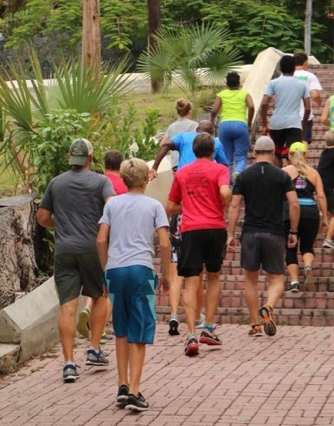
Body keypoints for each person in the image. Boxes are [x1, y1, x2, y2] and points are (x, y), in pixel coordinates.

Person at [37, 138, 115, 383]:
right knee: (101, 295)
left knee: (67, 307)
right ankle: (93, 348)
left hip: (65, 251)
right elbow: (112, 206)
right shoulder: (101, 181)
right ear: (90, 158)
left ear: (71, 158)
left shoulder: (56, 183)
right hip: (93, 249)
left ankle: (69, 363)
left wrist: (59, 225)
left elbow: (42, 217)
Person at [97, 158, 170, 412]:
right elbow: (164, 243)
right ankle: (135, 392)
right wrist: (168, 275)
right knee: (139, 329)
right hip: (141, 269)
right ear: (146, 179)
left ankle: (122, 385)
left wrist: (105, 270)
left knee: (121, 328)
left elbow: (101, 240)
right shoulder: (154, 206)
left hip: (115, 269)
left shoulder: (112, 204)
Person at [166, 133, 232, 357]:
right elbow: (224, 192)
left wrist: (189, 207)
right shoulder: (220, 170)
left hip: (191, 229)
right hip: (215, 228)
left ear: (193, 151)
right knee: (213, 276)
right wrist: (224, 200)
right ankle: (209, 327)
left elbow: (171, 205)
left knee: (191, 282)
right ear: (213, 151)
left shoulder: (183, 172)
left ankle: (192, 333)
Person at [227, 136, 300, 337]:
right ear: (273, 152)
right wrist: (293, 231)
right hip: (274, 232)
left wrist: (230, 234)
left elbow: (234, 206)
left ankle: (254, 324)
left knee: (250, 279)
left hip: (250, 232)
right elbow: (294, 204)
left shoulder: (243, 176)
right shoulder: (282, 176)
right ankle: (268, 306)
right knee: (276, 278)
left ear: (254, 152)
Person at [77, 149, 128, 341]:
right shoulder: (123, 186)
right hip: (115, 239)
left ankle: (87, 307)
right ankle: (103, 327)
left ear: (105, 165)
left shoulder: (97, 181)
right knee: (109, 286)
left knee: (96, 284)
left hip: (95, 236)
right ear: (121, 166)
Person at [282, 142, 327, 293]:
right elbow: (320, 195)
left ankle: (294, 282)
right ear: (307, 155)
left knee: (290, 248)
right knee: (307, 246)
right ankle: (307, 265)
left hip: (290, 212)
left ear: (289, 155)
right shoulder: (313, 173)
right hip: (310, 212)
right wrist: (325, 217)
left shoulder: (284, 172)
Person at [261, 55, 311, 166]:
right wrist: (302, 124)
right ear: (294, 68)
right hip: (294, 124)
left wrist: (264, 124)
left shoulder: (273, 83)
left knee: (277, 153)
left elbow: (264, 103)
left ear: (280, 68)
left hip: (276, 124)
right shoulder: (301, 85)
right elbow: (308, 107)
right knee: (294, 154)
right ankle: (291, 178)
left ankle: (278, 178)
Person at [210, 71, 255, 177]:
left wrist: (212, 122)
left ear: (227, 84)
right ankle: (238, 172)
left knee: (226, 156)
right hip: (240, 125)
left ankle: (228, 181)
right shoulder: (244, 94)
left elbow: (214, 111)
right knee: (241, 156)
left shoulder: (221, 95)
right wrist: (249, 123)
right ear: (239, 83)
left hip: (225, 125)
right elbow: (252, 107)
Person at [151, 120, 228, 178]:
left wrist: (154, 168)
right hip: (205, 179)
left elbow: (166, 145)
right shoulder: (216, 142)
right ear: (213, 131)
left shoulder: (183, 136)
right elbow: (224, 165)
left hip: (183, 176)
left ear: (197, 129)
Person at [293, 52, 322, 145]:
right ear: (305, 63)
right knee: (304, 142)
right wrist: (318, 102)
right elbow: (315, 95)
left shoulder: (286, 76)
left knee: (290, 144)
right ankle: (302, 159)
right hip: (305, 116)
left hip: (288, 116)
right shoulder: (310, 76)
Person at [160, 99, 198, 170]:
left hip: (175, 164)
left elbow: (162, 144)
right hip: (190, 162)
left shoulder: (171, 126)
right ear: (190, 111)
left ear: (177, 112)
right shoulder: (194, 125)